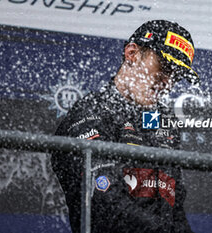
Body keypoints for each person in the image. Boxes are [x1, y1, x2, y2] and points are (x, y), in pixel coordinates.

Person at [51, 20, 199, 232]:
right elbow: (105, 204)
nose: (168, 82)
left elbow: (173, 209)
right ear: (132, 53)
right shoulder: (91, 114)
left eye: (177, 76)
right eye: (164, 67)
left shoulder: (164, 122)